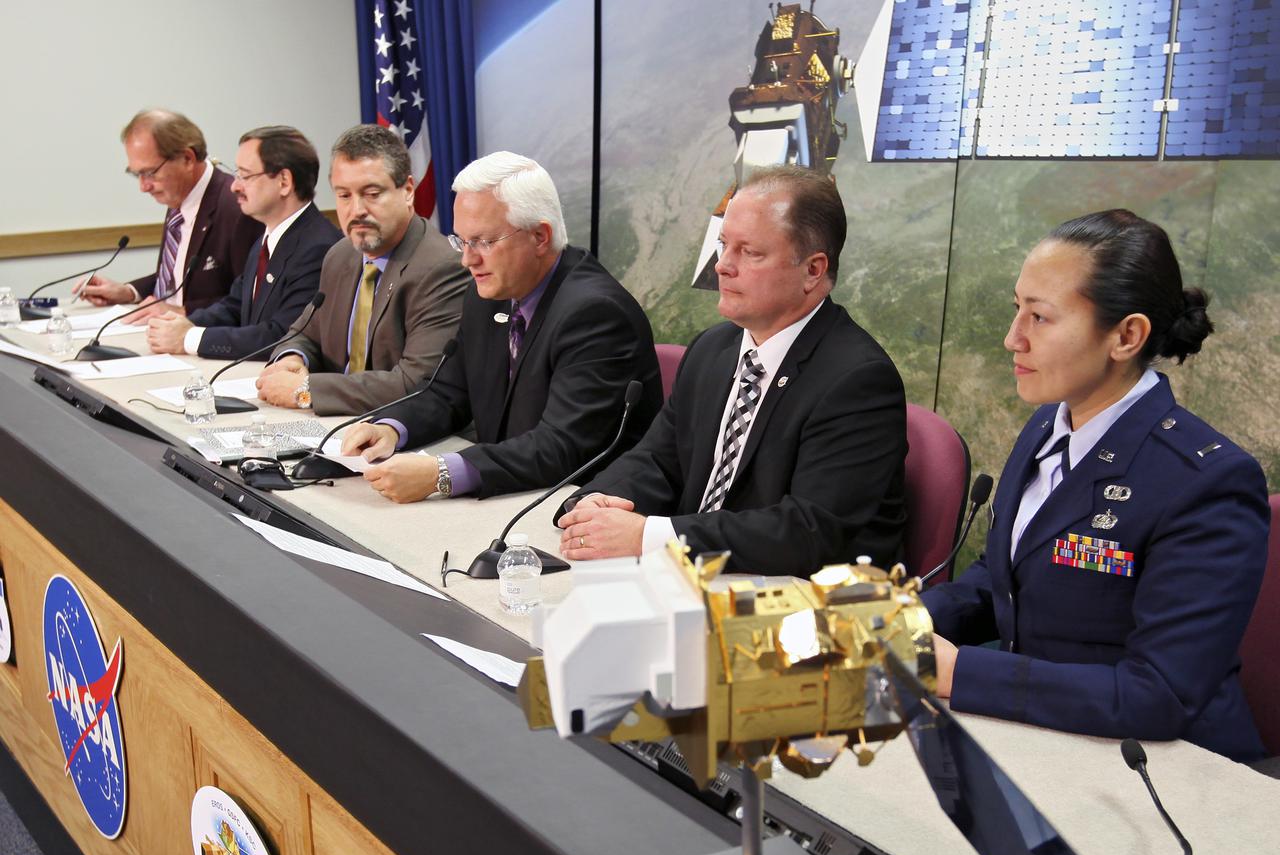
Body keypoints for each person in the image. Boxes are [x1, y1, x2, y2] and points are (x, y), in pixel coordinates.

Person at [922, 209, 1268, 762]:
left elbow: (1159, 693)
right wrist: (902, 620)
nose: (1013, 339)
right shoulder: (1049, 424)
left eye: (1040, 317)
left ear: (1126, 336)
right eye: (1017, 309)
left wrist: (959, 671)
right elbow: (1006, 577)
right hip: (1045, 735)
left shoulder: (1208, 483)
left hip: (1162, 768)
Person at [556, 166, 907, 578]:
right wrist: (598, 503)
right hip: (694, 578)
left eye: (750, 252)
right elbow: (658, 460)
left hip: (795, 599)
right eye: (724, 245)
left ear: (813, 270)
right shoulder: (712, 349)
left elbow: (806, 533)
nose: (723, 265)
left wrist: (649, 535)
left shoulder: (857, 380)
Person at [338, 151, 663, 500]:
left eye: (483, 242)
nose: (467, 259)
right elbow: (448, 393)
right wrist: (392, 429)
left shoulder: (596, 314)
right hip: (512, 493)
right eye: (461, 241)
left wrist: (440, 474)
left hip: (578, 507)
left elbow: (560, 447)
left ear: (540, 236)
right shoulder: (488, 295)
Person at [255, 125, 468, 416]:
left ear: (408, 191)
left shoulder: (442, 268)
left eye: (372, 194)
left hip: (398, 431)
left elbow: (416, 383)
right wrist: (293, 358)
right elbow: (304, 332)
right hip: (333, 424)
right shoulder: (340, 255)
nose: (356, 210)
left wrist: (306, 391)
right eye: (344, 196)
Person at [145, 126, 341, 360]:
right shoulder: (265, 240)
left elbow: (284, 335)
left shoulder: (319, 248)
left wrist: (190, 338)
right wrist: (181, 324)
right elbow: (235, 307)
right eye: (236, 174)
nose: (234, 186)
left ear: (284, 182)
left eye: (245, 176)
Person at [81, 109, 259, 324]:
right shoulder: (179, 195)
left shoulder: (237, 207)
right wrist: (128, 292)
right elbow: (178, 279)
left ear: (187, 159)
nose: (143, 187)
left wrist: (183, 311)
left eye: (150, 172)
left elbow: (251, 301)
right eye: (137, 174)